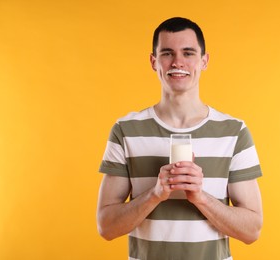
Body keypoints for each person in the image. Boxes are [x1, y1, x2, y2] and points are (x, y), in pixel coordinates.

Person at [97, 17, 263, 260]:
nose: (177, 62)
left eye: (188, 53)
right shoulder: (125, 130)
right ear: (154, 62)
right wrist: (155, 194)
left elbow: (252, 230)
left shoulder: (234, 131)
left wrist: (201, 197)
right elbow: (107, 227)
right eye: (167, 53)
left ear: (204, 61)